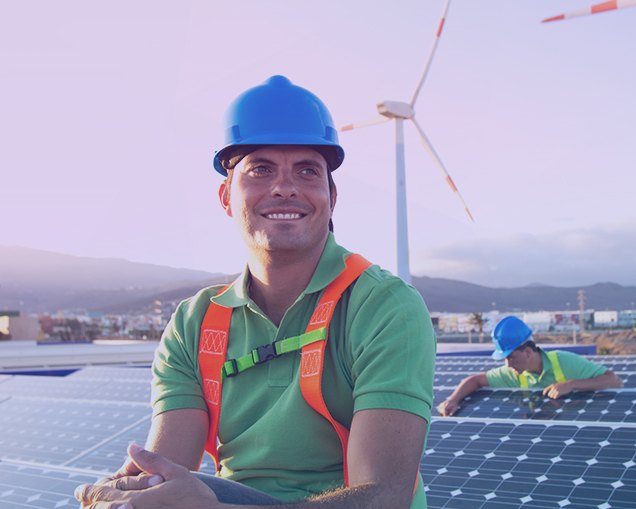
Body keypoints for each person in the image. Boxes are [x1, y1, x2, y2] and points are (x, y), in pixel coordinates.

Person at [75, 75, 436, 509]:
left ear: (332, 196)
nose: (285, 186)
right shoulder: (194, 322)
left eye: (307, 170)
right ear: (226, 196)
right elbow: (164, 471)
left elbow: (384, 497)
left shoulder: (383, 307)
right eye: (260, 169)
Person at [437, 315, 623, 417]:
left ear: (527, 352)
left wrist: (571, 384)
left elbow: (614, 381)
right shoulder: (513, 373)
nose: (507, 364)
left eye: (511, 357)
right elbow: (476, 380)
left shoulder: (565, 361)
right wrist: (454, 399)